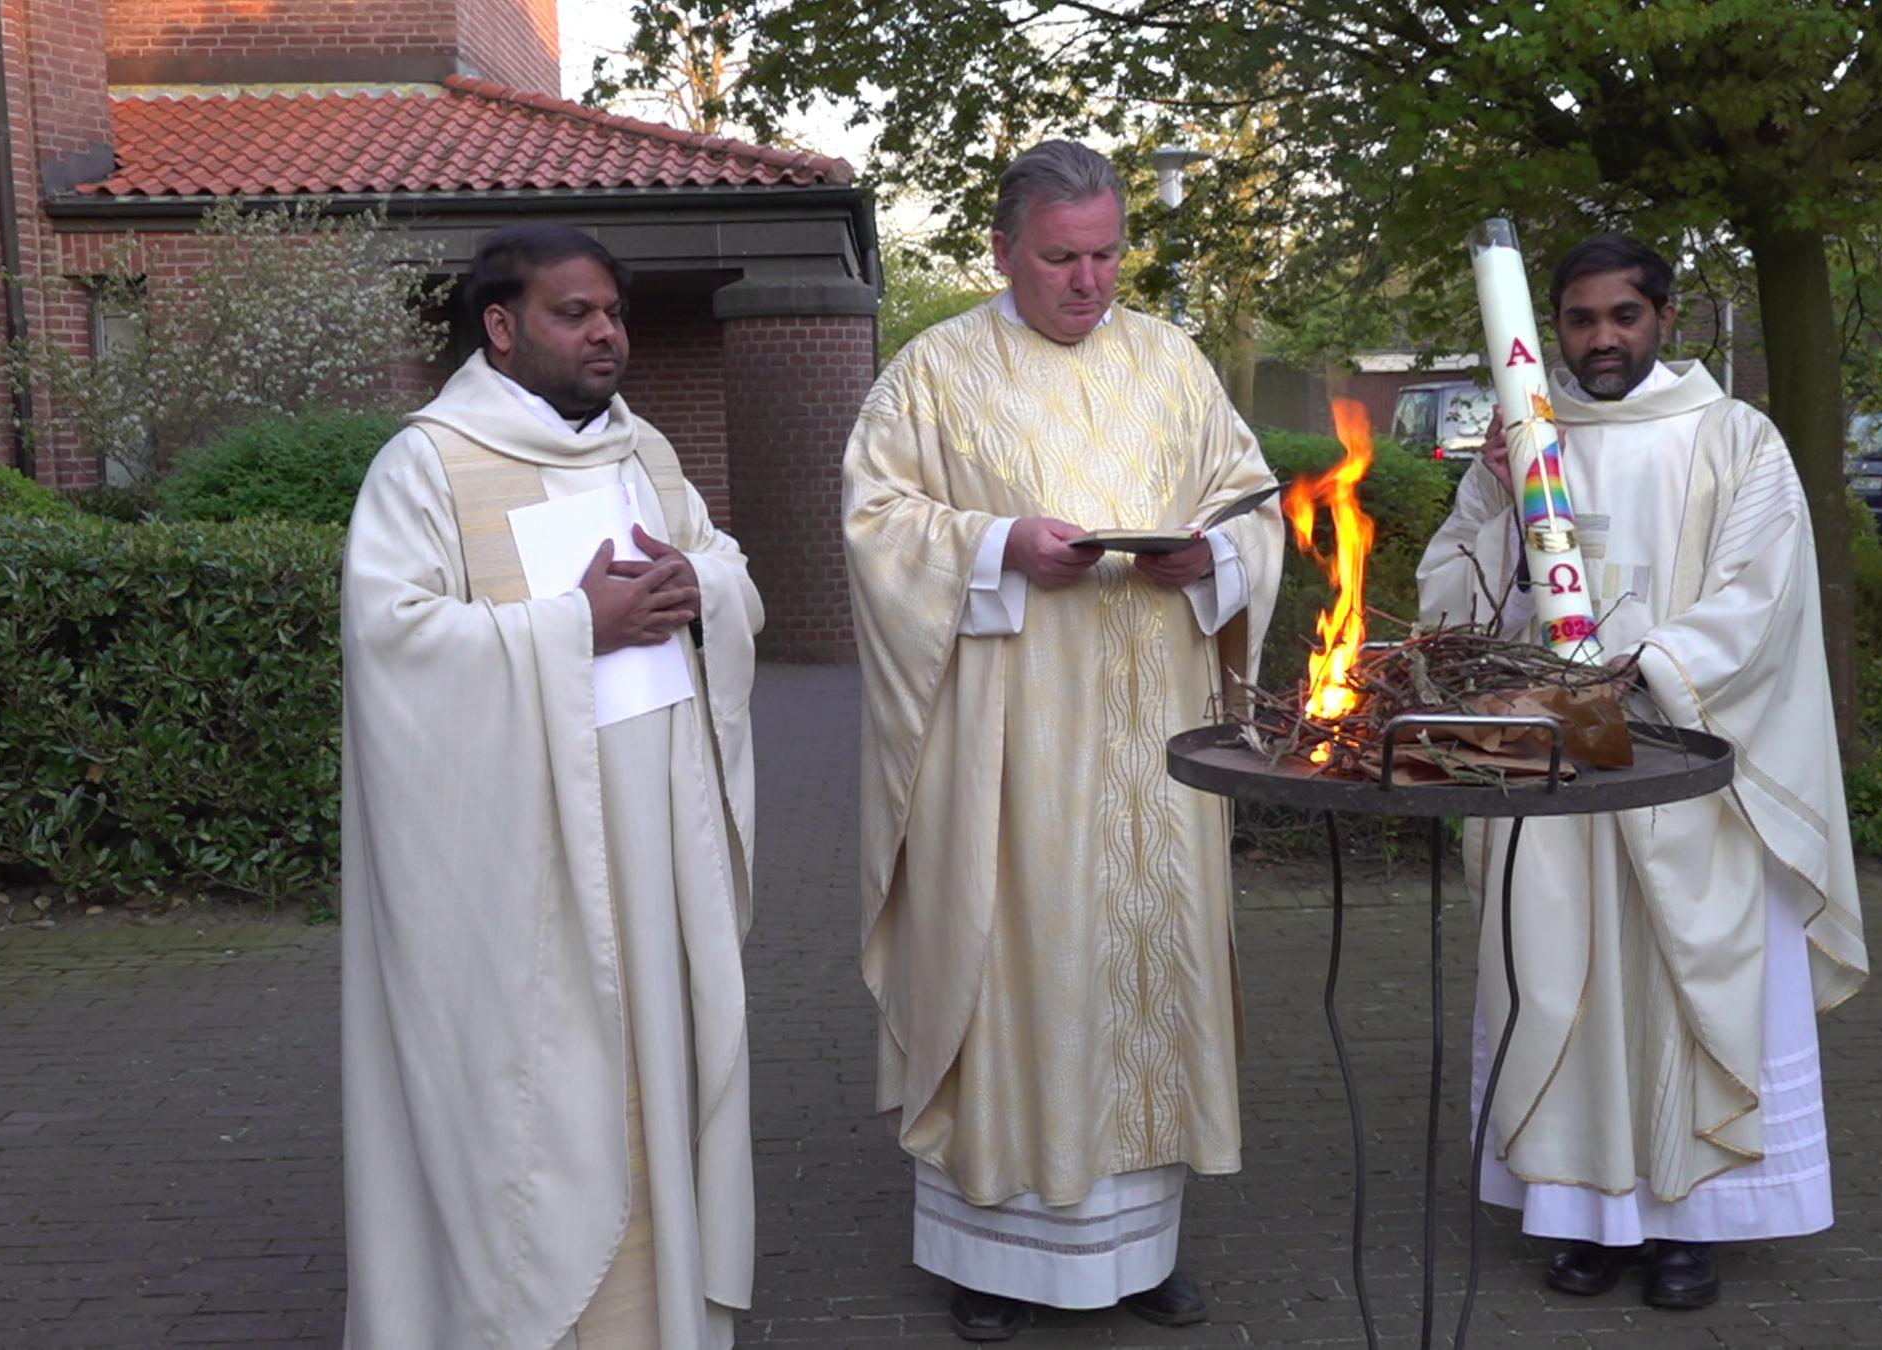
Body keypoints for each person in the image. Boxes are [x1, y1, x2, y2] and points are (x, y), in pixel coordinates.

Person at [842, 140, 1284, 1342]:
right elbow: (876, 524)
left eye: (1104, 255)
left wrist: (1218, 561)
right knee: (1020, 969)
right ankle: (991, 1253)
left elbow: (1253, 501)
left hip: (1161, 749)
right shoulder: (934, 372)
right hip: (1009, 753)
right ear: (1001, 251)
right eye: (1059, 259)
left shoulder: (1174, 362)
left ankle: (1141, 1254)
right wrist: (996, 549)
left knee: (1147, 971)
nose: (1088, 283)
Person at [1416, 234, 1869, 1310]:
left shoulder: (1735, 438)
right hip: (1550, 769)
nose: (1601, 339)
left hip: (1686, 767)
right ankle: (1585, 1219)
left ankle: (1690, 1229)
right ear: (1551, 328)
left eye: (1623, 316)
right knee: (1564, 976)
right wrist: (1497, 513)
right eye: (1579, 320)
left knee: (1679, 982)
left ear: (1662, 318)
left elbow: (1763, 597)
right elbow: (1449, 603)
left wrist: (1646, 668)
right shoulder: (1521, 442)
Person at [341, 224, 763, 1349]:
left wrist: (699, 583)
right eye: (575, 314)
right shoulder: (425, 465)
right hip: (520, 864)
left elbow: (722, 562)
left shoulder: (644, 455)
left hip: (657, 844)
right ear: (501, 325)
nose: (606, 333)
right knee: (541, 1091)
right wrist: (581, 626)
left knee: (653, 1076)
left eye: (613, 313)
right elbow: (395, 644)